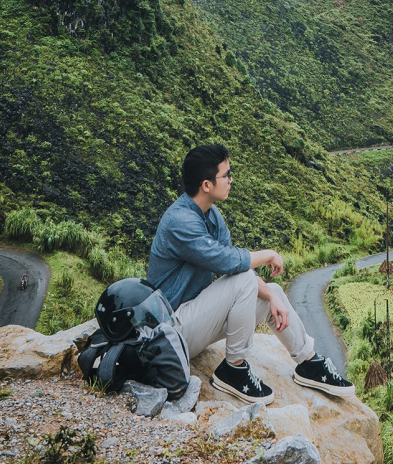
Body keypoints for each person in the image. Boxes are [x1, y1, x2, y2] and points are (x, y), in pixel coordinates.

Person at [148, 143, 354, 405]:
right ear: (207, 185)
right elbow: (228, 261)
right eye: (226, 175)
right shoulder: (180, 221)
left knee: (274, 293)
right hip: (171, 331)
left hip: (196, 319)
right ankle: (233, 368)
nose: (231, 180)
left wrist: (270, 294)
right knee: (247, 280)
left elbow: (238, 267)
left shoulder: (211, 216)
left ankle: (309, 363)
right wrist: (268, 254)